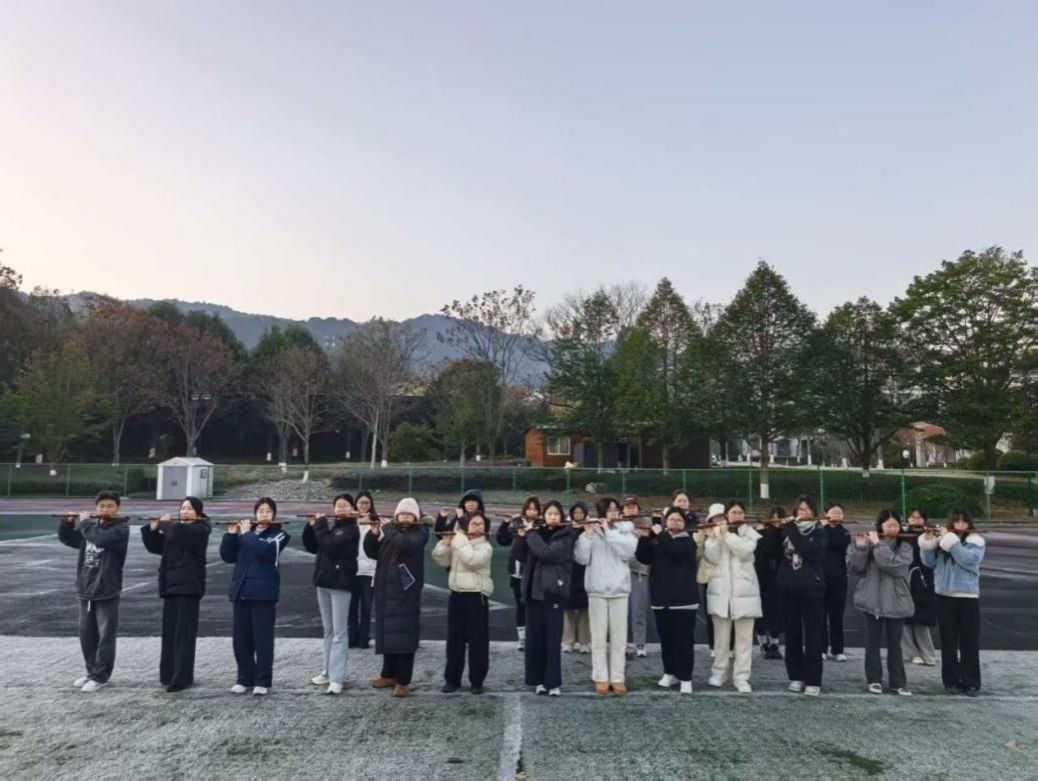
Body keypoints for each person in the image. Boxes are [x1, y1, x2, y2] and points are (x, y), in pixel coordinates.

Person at [57, 490, 130, 693]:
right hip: (86, 588)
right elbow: (69, 539)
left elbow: (101, 539)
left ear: (117, 508)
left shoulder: (121, 528)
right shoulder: (91, 527)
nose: (105, 509)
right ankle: (91, 672)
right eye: (101, 506)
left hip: (107, 589)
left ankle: (101, 676)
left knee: (106, 635)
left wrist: (86, 523)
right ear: (96, 507)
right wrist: (67, 523)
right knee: (87, 635)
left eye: (110, 506)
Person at [140, 496, 212, 692]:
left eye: (189, 509)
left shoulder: (200, 529)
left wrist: (166, 524)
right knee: (170, 634)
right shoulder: (177, 529)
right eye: (182, 508)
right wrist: (152, 530)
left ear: (198, 513)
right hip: (171, 586)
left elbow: (178, 532)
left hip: (189, 587)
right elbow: (157, 547)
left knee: (184, 636)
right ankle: (168, 675)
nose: (184, 512)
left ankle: (182, 678)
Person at [220, 497, 290, 696]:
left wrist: (247, 535)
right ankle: (244, 678)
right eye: (260, 511)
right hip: (242, 591)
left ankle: (262, 680)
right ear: (255, 513)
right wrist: (231, 535)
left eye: (268, 511)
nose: (264, 514)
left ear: (274, 514)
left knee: (263, 640)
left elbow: (265, 552)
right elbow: (228, 556)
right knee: (241, 639)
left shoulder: (279, 535)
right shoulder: (246, 533)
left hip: (264, 594)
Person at [365, 497, 431, 698]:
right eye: (402, 513)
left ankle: (403, 681)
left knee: (404, 636)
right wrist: (373, 533)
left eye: (409, 514)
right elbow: (372, 552)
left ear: (415, 516)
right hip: (386, 591)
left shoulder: (420, 532)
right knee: (389, 634)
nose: (405, 517)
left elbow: (406, 545)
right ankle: (388, 674)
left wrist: (387, 529)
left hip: (405, 593)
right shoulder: (391, 533)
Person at [573, 496, 638, 695]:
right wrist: (587, 535)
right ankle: (600, 676)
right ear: (601, 513)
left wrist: (609, 532)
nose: (613, 513)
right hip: (597, 590)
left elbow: (628, 553)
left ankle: (618, 677)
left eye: (615, 509)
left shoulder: (626, 530)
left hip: (620, 589)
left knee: (619, 638)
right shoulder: (591, 531)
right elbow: (581, 558)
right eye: (609, 510)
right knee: (598, 637)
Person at [847, 509, 915, 696]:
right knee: (872, 643)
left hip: (896, 600)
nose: (893, 528)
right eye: (888, 525)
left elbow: (893, 566)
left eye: (895, 525)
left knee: (895, 644)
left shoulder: (905, 547)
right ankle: (874, 679)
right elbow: (855, 568)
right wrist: (861, 548)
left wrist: (878, 545)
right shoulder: (869, 543)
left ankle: (898, 682)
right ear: (880, 526)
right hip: (872, 599)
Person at [919, 509, 985, 695]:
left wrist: (951, 541)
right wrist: (928, 543)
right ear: (951, 523)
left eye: (964, 521)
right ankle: (950, 681)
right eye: (957, 521)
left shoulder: (975, 542)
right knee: (948, 641)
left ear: (969, 523)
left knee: (969, 641)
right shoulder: (943, 540)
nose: (961, 525)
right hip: (944, 596)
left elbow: (968, 560)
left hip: (968, 597)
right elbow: (929, 563)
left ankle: (971, 681)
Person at [514, 499, 577, 696]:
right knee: (535, 640)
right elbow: (520, 555)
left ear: (561, 516)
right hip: (534, 592)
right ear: (544, 515)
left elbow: (547, 554)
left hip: (553, 592)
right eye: (549, 513)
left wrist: (530, 534)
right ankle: (538, 680)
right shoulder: (537, 532)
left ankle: (553, 682)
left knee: (552, 640)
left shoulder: (567, 535)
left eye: (556, 514)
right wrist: (521, 536)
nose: (553, 517)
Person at [768, 495, 827, 696]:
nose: (804, 512)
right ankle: (795, 676)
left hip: (812, 589)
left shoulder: (819, 530)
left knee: (813, 635)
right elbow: (772, 551)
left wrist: (791, 529)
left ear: (814, 512)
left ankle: (813, 679)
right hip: (788, 587)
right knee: (792, 634)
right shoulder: (787, 530)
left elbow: (809, 551)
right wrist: (775, 530)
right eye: (800, 509)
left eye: (807, 509)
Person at [636, 506, 698, 694]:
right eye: (671, 520)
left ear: (684, 524)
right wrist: (645, 538)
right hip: (661, 599)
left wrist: (660, 535)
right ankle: (670, 672)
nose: (675, 523)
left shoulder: (688, 541)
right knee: (667, 639)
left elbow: (674, 551)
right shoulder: (658, 539)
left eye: (679, 520)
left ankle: (685, 677)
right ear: (666, 521)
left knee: (683, 641)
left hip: (684, 601)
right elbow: (643, 557)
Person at [302, 493, 360, 695]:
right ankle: (327, 671)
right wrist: (311, 526)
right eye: (338, 506)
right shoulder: (333, 526)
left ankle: (337, 678)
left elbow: (331, 546)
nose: (341, 509)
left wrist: (319, 525)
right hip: (323, 582)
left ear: (352, 508)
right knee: (328, 630)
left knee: (339, 632)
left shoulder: (351, 529)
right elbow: (313, 546)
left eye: (345, 505)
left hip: (341, 584)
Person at [704, 501, 762, 693]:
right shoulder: (717, 531)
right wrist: (713, 538)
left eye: (740, 512)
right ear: (726, 515)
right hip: (720, 590)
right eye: (733, 512)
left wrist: (727, 535)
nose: (737, 515)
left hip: (745, 592)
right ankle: (718, 673)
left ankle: (741, 677)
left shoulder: (750, 533)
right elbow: (711, 558)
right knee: (721, 639)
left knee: (744, 641)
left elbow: (744, 552)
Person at [432, 512, 493, 694]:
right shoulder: (460, 542)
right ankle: (452, 680)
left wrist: (458, 539)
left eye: (481, 524)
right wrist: (445, 544)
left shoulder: (485, 546)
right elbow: (442, 560)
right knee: (454, 640)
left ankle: (477, 681)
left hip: (477, 597)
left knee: (478, 641)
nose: (478, 527)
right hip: (456, 596)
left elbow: (472, 560)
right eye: (474, 523)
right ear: (466, 526)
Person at [497, 495, 541, 651]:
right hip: (517, 573)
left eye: (535, 509)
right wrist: (506, 523)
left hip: (535, 574)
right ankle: (522, 639)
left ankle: (535, 636)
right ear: (524, 510)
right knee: (521, 606)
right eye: (529, 509)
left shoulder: (541, 525)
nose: (531, 512)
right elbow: (503, 540)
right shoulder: (517, 523)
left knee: (535, 606)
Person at [901, 508, 938, 666]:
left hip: (924, 578)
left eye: (919, 517)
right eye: (912, 517)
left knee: (922, 617)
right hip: (904, 577)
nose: (916, 520)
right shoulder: (901, 534)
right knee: (904, 617)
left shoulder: (929, 534)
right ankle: (911, 653)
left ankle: (927, 653)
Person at [754, 506, 786, 659]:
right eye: (773, 517)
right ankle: (762, 644)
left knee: (777, 612)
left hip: (778, 577)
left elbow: (778, 551)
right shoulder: (761, 533)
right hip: (762, 577)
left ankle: (775, 644)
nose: (776, 520)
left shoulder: (785, 533)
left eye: (779, 517)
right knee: (760, 612)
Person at [348, 490, 378, 650]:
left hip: (369, 571)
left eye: (367, 502)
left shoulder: (376, 521)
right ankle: (352, 637)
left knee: (366, 608)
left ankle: (363, 638)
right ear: (356, 504)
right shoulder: (350, 521)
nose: (364, 505)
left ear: (371, 504)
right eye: (361, 502)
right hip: (352, 570)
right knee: (351, 607)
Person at [561, 501, 591, 654]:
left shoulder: (589, 527)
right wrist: (572, 529)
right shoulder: (566, 528)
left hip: (585, 570)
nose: (578, 515)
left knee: (585, 609)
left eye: (581, 512)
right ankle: (568, 641)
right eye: (576, 512)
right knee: (568, 609)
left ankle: (585, 641)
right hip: (569, 571)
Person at [822, 502, 851, 661]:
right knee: (820, 615)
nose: (837, 515)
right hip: (821, 578)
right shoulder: (820, 530)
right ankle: (822, 648)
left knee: (837, 616)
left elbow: (835, 543)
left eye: (840, 512)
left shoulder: (845, 532)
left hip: (839, 578)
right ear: (826, 514)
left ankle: (837, 649)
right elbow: (823, 544)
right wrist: (822, 526)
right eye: (834, 512)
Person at [623, 495, 650, 658]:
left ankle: (640, 643)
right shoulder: (617, 524)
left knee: (638, 609)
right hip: (620, 571)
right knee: (621, 611)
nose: (631, 509)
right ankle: (623, 643)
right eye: (628, 507)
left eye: (633, 506)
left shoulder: (645, 523)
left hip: (639, 571)